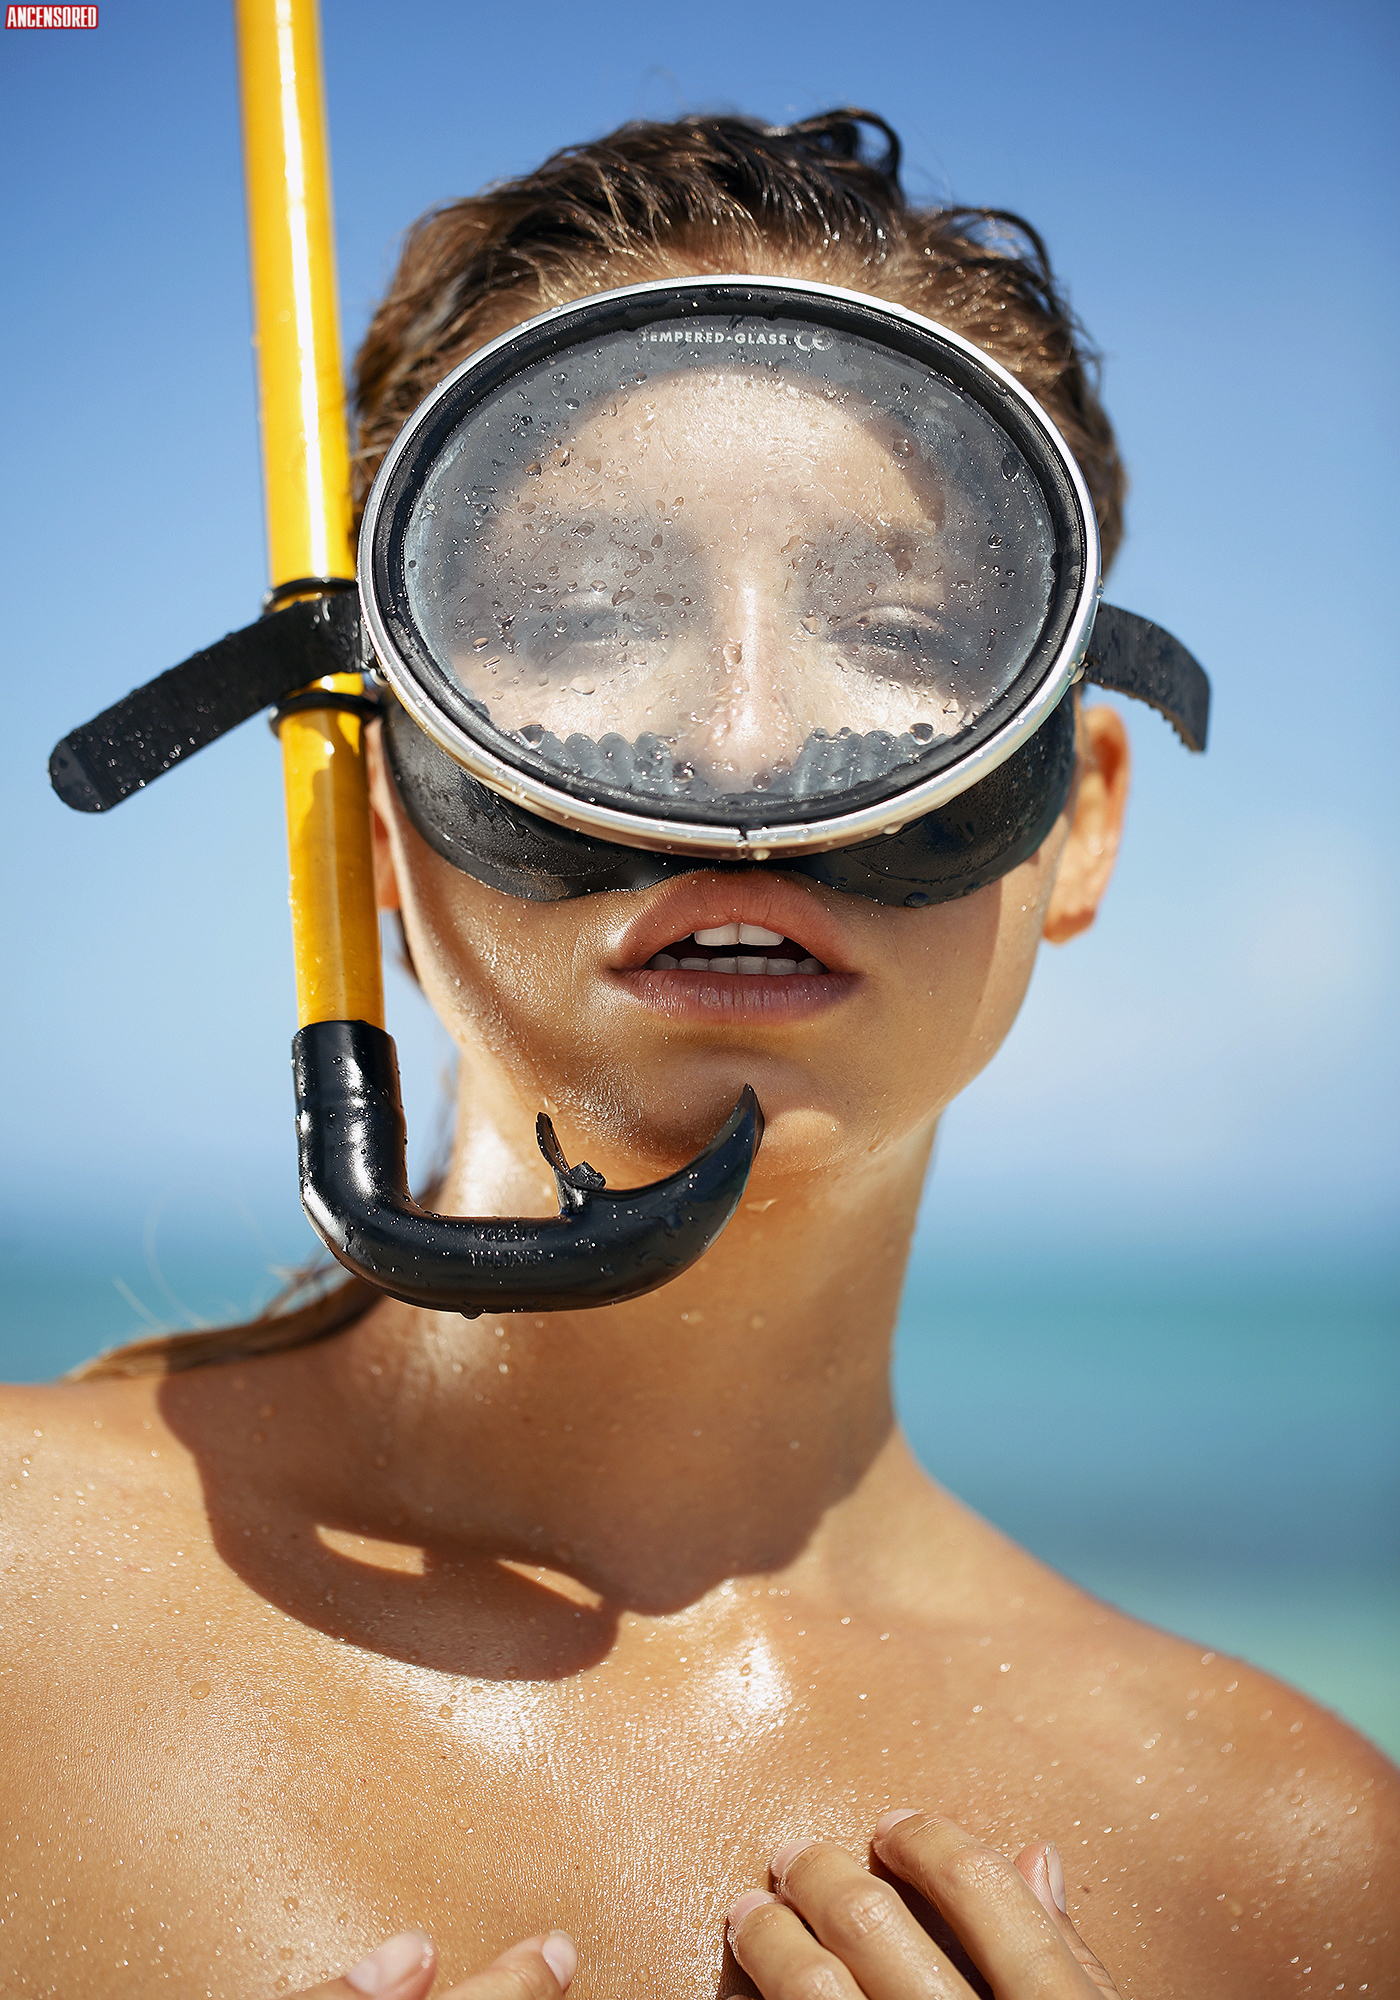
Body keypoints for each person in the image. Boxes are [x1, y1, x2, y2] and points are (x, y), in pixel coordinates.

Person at [3, 111, 1394, 2000]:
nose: (743, 752)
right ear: (376, 806)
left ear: (1080, 817)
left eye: (902, 635)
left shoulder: (1297, 1868)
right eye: (584, 621)